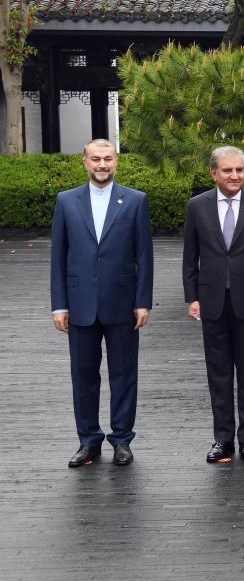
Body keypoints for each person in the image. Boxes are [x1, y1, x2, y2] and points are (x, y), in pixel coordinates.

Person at [51, 139, 154, 468]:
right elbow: (58, 259)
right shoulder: (66, 202)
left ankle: (122, 439)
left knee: (124, 373)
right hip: (80, 304)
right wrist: (59, 305)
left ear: (116, 161)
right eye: (95, 159)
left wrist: (143, 302)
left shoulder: (135, 201)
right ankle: (88, 441)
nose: (102, 165)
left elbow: (144, 256)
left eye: (107, 159)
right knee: (83, 374)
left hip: (123, 304)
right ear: (84, 162)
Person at [183, 146, 244, 463]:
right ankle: (223, 439)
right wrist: (192, 297)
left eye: (239, 170)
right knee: (219, 374)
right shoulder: (197, 206)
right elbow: (190, 257)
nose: (235, 176)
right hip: (212, 301)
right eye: (227, 170)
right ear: (214, 173)